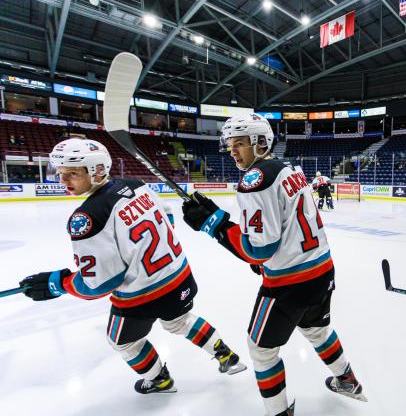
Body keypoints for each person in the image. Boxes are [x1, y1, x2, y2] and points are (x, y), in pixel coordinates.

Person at [19, 138, 246, 395]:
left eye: (72, 173)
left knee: (122, 341)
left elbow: (101, 283)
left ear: (97, 170)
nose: (63, 181)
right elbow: (167, 217)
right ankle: (224, 353)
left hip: (141, 296)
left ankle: (159, 379)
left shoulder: (88, 216)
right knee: (179, 321)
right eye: (60, 173)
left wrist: (58, 283)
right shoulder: (138, 185)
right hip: (179, 276)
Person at [181, 114, 366, 416]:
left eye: (239, 144)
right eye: (229, 145)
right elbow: (285, 227)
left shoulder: (254, 180)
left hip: (289, 284)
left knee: (262, 351)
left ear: (261, 142)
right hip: (321, 268)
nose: (232, 151)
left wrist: (212, 225)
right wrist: (219, 217)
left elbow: (259, 250)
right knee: (317, 330)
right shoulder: (289, 169)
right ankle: (347, 379)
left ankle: (279, 412)